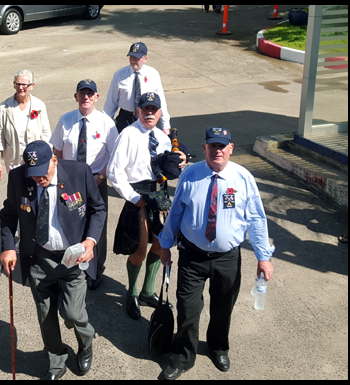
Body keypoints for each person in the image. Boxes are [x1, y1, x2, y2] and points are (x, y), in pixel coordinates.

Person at [158, 127, 275, 380]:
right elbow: (176, 212)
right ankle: (182, 357)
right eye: (213, 146)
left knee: (223, 308)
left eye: (222, 146)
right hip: (192, 256)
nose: (217, 150)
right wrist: (164, 245)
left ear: (231, 148)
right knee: (187, 309)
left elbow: (256, 219)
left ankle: (218, 346)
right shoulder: (190, 175)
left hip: (227, 258)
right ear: (204, 148)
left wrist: (263, 257)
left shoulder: (243, 178)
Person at [0, 140, 106, 380]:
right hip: (39, 258)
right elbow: (8, 214)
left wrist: (90, 241)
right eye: (33, 174)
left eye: (43, 172)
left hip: (73, 258)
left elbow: (97, 209)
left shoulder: (79, 172)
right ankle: (56, 360)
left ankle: (86, 343)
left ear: (54, 160)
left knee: (73, 314)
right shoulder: (18, 178)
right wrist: (8, 247)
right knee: (46, 316)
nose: (39, 179)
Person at [107, 92, 186, 320]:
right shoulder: (128, 135)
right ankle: (131, 293)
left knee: (162, 246)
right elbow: (114, 171)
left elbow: (167, 167)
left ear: (160, 113)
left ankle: (147, 292)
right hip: (138, 195)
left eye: (154, 110)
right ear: (138, 111)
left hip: (159, 194)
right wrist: (132, 197)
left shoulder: (162, 137)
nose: (150, 113)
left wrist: (179, 163)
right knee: (140, 249)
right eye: (146, 109)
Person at [50, 79, 118, 290]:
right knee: (71, 222)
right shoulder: (66, 120)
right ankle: (72, 265)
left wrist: (101, 177)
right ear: (76, 96)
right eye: (82, 93)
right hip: (70, 183)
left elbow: (114, 155)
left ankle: (96, 270)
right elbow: (58, 150)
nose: (86, 97)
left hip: (96, 181)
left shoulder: (107, 123)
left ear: (97, 97)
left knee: (97, 225)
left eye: (90, 94)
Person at [0, 69, 51, 180]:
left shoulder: (39, 105)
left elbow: (46, 134)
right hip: (13, 161)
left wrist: (47, 159)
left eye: (24, 85)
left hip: (36, 160)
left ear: (32, 85)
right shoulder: (4, 107)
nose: (20, 88)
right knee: (17, 191)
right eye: (17, 84)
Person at [103, 42, 171, 135]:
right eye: (131, 57)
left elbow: (161, 100)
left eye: (136, 57)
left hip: (146, 116)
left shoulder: (153, 74)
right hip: (125, 118)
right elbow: (111, 102)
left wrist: (165, 125)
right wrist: (104, 125)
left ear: (145, 58)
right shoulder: (120, 75)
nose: (133, 60)